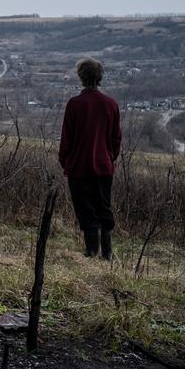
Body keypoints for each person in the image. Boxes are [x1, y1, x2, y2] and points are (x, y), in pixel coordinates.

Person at [58, 57, 122, 260]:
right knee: (104, 208)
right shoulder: (110, 104)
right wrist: (109, 158)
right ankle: (107, 254)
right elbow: (116, 138)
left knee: (86, 210)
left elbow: (66, 139)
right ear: (99, 77)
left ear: (81, 77)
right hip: (103, 167)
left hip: (79, 167)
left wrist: (66, 162)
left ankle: (92, 253)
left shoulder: (74, 104)